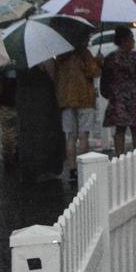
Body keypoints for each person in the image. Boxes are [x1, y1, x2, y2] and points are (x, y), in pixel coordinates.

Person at [100, 26, 136, 156]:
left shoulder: (111, 58)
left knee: (119, 130)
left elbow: (104, 81)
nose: (133, 41)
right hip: (135, 99)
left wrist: (109, 94)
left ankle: (119, 156)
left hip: (117, 99)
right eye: (131, 38)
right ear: (124, 40)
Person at [55, 39, 102, 181]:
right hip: (84, 98)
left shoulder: (61, 55)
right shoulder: (84, 54)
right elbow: (93, 72)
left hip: (66, 99)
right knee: (83, 135)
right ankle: (83, 169)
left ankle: (72, 169)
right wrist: (98, 61)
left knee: (70, 136)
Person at [15, 61, 65, 184]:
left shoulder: (17, 57)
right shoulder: (42, 57)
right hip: (42, 96)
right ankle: (45, 169)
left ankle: (28, 169)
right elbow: (53, 76)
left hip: (23, 95)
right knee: (45, 131)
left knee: (27, 132)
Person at [0, 64, 19, 170]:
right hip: (20, 100)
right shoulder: (21, 62)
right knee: (19, 129)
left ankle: (9, 155)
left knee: (7, 130)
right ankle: (17, 153)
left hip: (5, 102)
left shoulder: (0, 65)